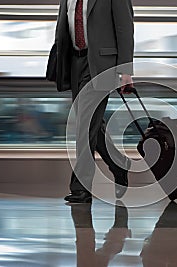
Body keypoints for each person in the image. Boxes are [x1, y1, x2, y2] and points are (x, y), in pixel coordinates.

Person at [53, 0, 134, 203]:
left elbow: (125, 28)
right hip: (75, 63)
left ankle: (81, 187)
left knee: (85, 125)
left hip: (101, 66)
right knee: (91, 126)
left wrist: (126, 70)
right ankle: (119, 164)